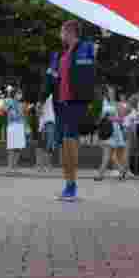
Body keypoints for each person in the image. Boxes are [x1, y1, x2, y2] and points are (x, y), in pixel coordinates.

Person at [45, 19, 100, 201]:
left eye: (62, 31)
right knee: (63, 145)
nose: (60, 35)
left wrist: (89, 101)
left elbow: (90, 74)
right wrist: (41, 98)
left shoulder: (87, 48)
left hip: (76, 102)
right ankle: (68, 184)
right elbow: (51, 78)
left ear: (70, 31)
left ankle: (72, 186)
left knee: (70, 141)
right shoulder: (58, 55)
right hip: (60, 104)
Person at [95, 97, 127, 181]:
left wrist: (109, 119)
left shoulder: (116, 104)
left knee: (107, 155)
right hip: (110, 131)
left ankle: (100, 175)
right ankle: (121, 171)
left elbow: (121, 119)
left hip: (110, 132)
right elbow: (120, 119)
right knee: (111, 156)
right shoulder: (109, 103)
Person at [4, 89, 26, 174]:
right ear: (14, 94)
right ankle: (9, 167)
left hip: (20, 126)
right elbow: (5, 110)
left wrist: (24, 127)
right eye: (18, 93)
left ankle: (15, 167)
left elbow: (22, 116)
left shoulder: (21, 104)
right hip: (12, 126)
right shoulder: (9, 101)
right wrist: (10, 106)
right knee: (11, 148)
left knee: (18, 148)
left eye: (20, 94)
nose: (20, 95)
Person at [37, 93, 57, 173]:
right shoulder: (45, 97)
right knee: (44, 146)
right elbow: (39, 112)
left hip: (49, 122)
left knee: (47, 146)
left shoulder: (53, 96)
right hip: (45, 123)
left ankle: (45, 166)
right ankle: (43, 166)